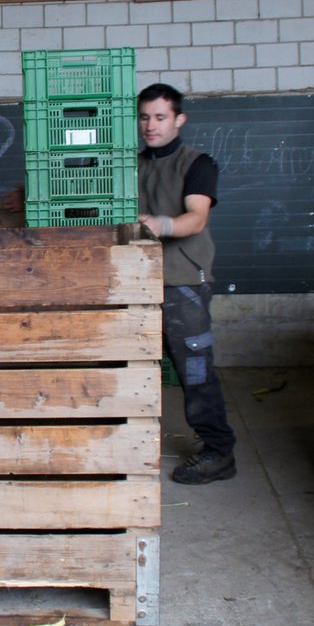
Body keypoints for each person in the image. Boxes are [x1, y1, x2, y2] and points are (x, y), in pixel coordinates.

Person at [136, 83, 238, 484]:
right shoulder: (131, 164)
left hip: (181, 283)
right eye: (144, 117)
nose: (151, 125)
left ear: (179, 119)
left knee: (194, 370)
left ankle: (219, 452)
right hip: (134, 283)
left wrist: (161, 224)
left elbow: (196, 218)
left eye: (160, 117)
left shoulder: (197, 164)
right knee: (137, 366)